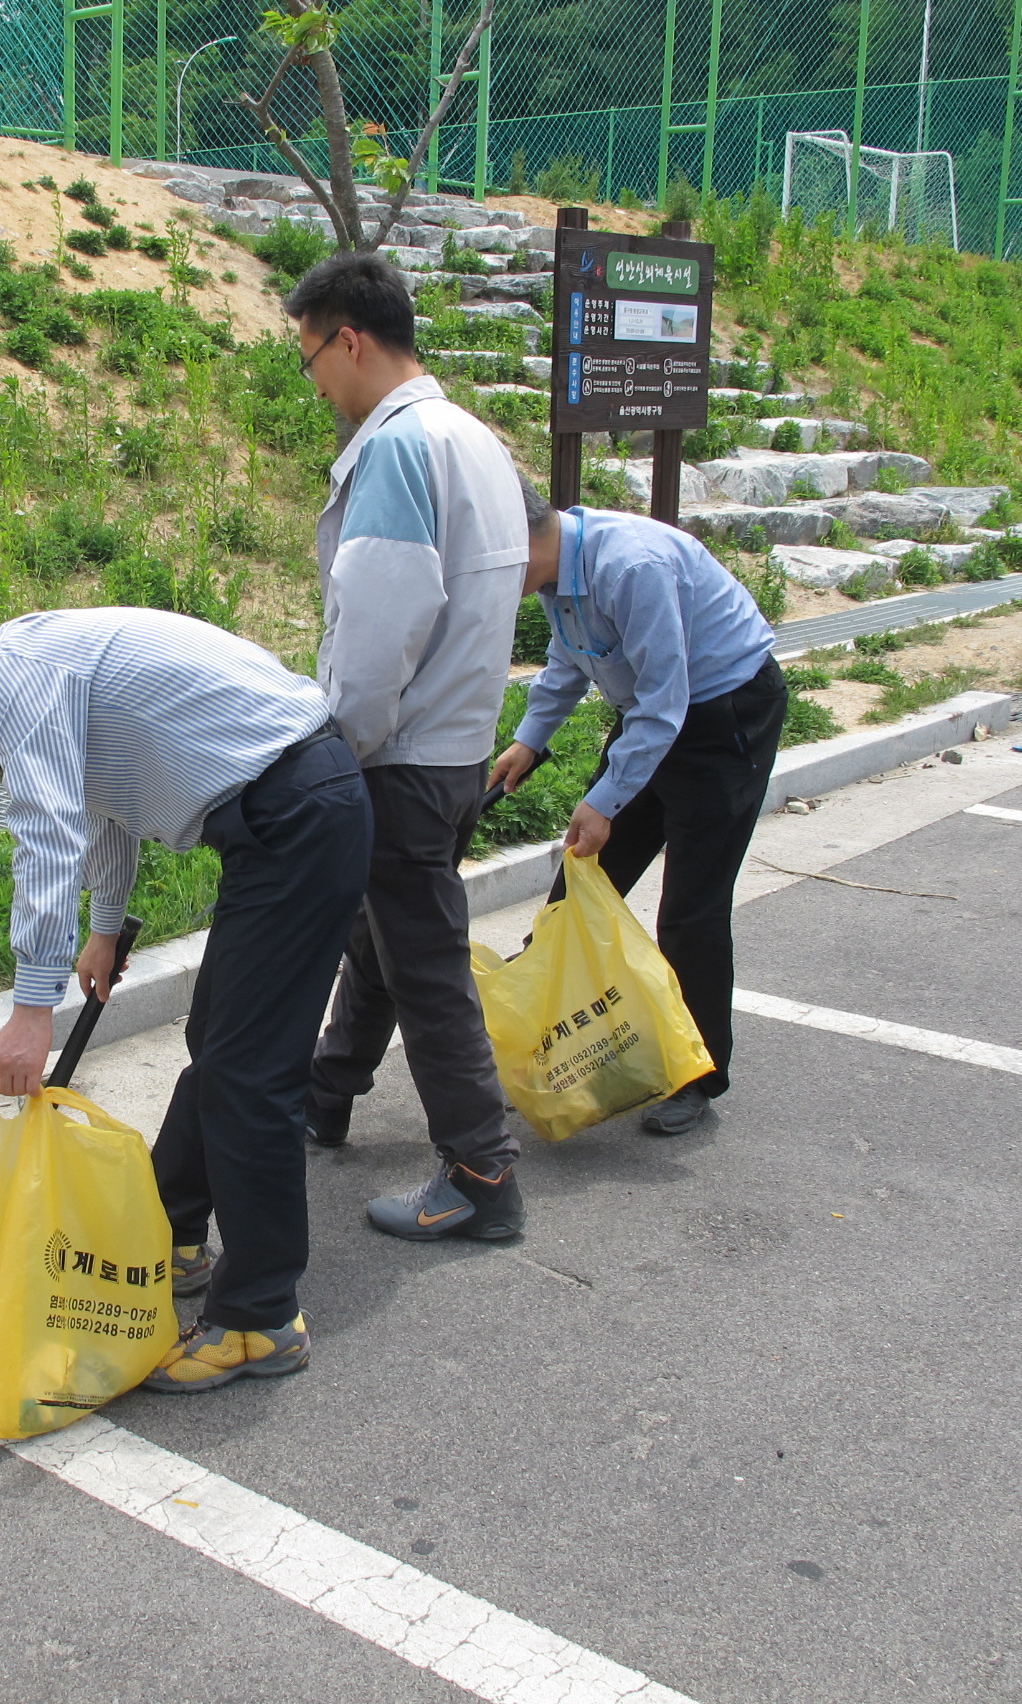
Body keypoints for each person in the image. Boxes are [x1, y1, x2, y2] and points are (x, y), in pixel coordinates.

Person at [0, 606, 371, 1393]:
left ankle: (261, 1321)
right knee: (223, 1049)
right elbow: (99, 797)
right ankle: (172, 1236)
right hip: (294, 809)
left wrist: (32, 1012)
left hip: (295, 816)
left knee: (247, 1076)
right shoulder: (29, 656)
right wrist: (104, 926)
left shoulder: (14, 682)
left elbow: (48, 831)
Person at [282, 252, 532, 1242]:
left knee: (422, 962)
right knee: (379, 936)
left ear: (348, 339)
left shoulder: (395, 448)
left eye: (309, 360)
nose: (315, 385)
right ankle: (327, 1093)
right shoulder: (471, 436)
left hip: (401, 752)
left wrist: (335, 743)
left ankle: (481, 1171)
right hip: (457, 745)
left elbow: (382, 620)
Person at [492, 483, 787, 1135]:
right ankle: (550, 1044)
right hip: (655, 716)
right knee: (578, 886)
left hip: (723, 717)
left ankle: (700, 1076)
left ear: (515, 542)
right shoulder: (555, 575)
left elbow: (666, 699)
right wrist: (529, 740)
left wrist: (604, 801)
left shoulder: (631, 565)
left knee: (691, 910)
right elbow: (569, 663)